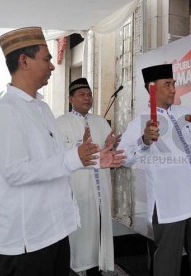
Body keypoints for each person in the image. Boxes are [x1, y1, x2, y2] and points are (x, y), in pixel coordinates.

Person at [0, 26, 124, 276]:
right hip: (29, 241)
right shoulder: (6, 112)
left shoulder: (43, 109)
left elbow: (57, 159)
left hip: (57, 231)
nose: (52, 66)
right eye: (46, 59)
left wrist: (95, 159)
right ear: (24, 61)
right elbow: (15, 172)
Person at [117, 64, 191, 276]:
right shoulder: (140, 122)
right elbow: (123, 158)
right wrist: (144, 140)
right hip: (169, 205)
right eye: (168, 84)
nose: (173, 89)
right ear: (152, 88)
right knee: (167, 266)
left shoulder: (186, 113)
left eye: (174, 84)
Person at [56, 78, 119, 275]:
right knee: (79, 238)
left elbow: (109, 149)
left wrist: (114, 145)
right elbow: (58, 157)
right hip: (78, 194)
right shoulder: (61, 123)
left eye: (90, 94)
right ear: (71, 98)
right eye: (82, 94)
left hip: (100, 195)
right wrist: (78, 147)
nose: (87, 98)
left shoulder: (99, 121)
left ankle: (96, 269)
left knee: (98, 236)